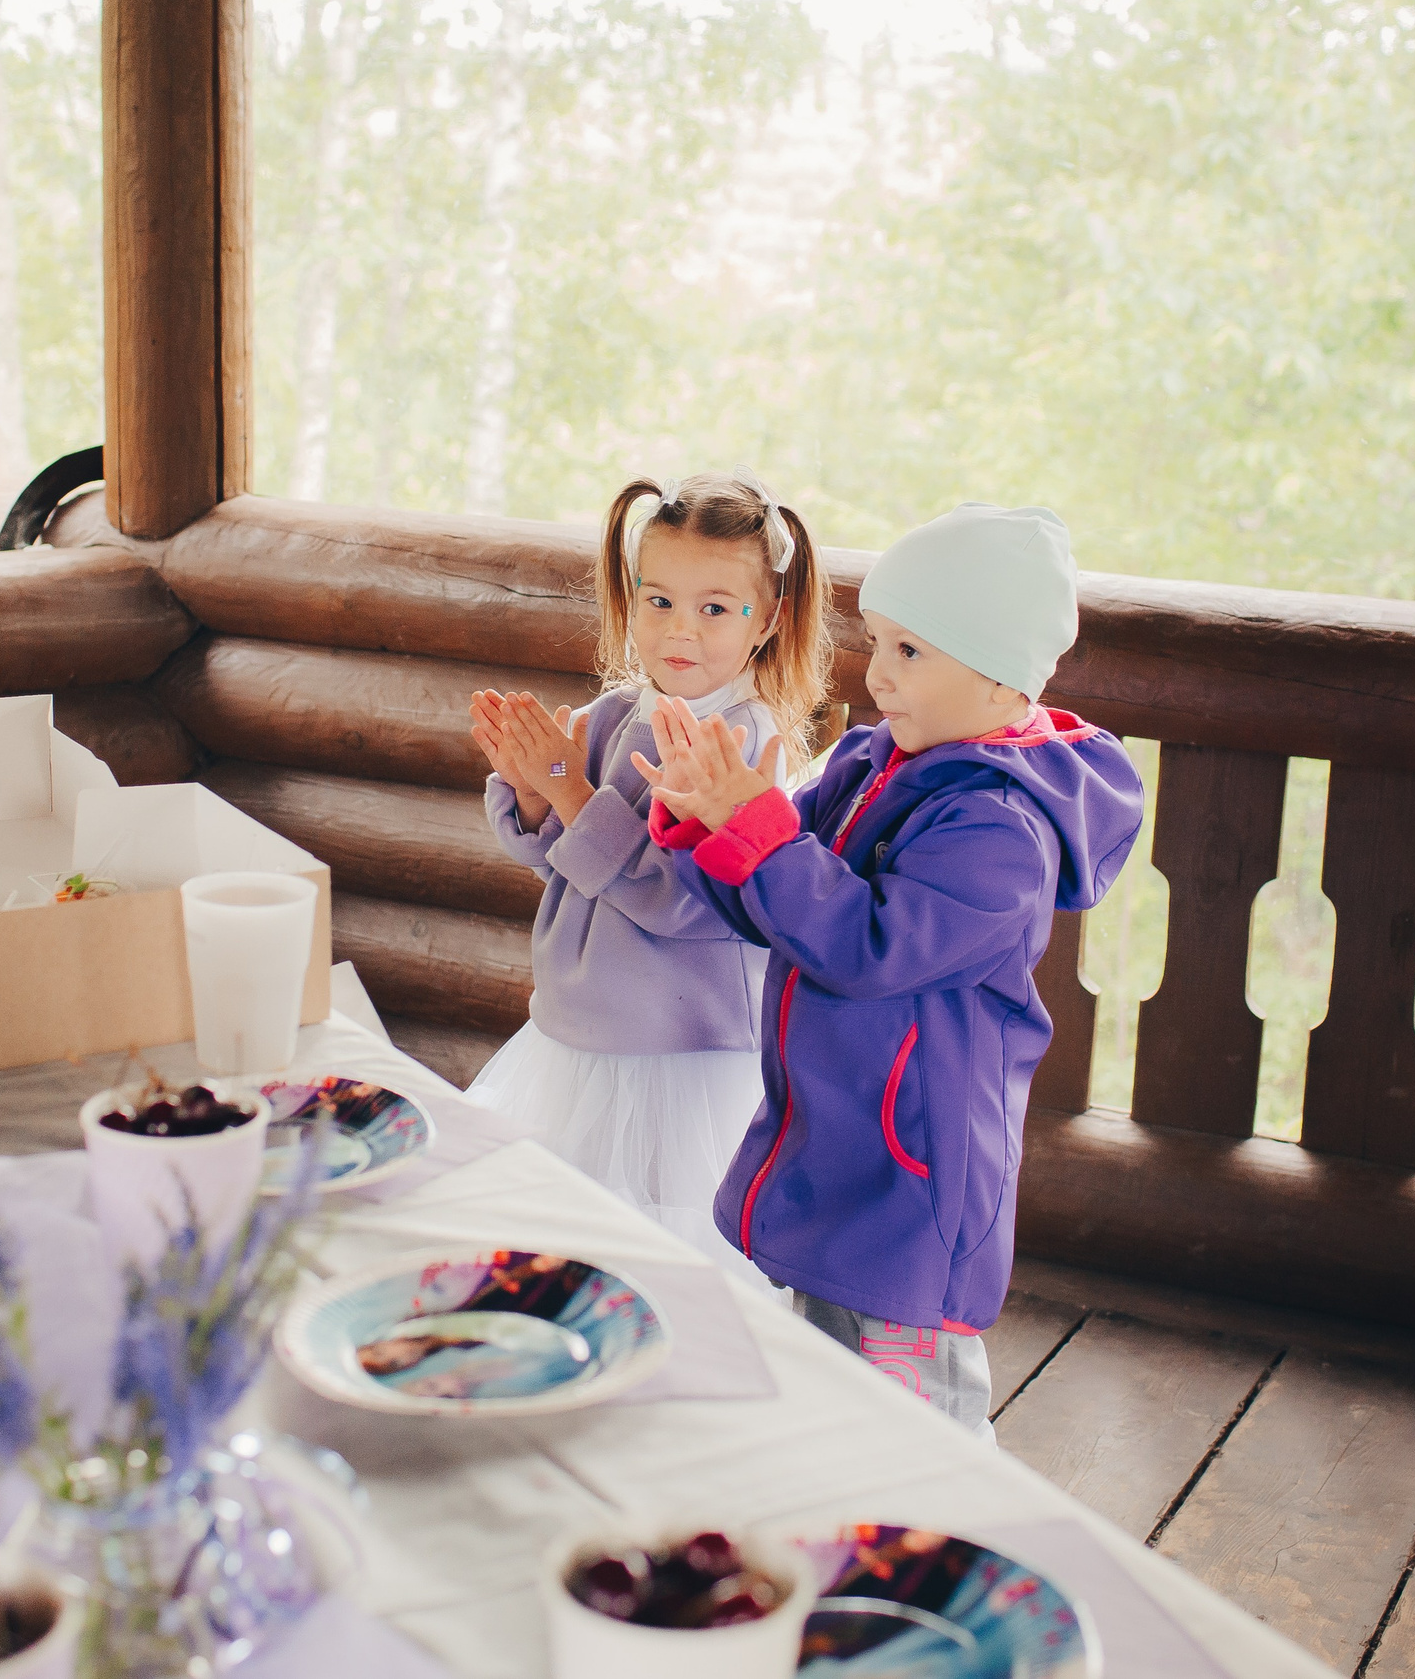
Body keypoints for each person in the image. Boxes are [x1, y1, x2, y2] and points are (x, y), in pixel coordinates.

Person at [637, 503, 1145, 1438]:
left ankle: (941, 1557)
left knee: (915, 1429)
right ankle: (845, 1544)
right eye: (878, 642)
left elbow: (866, 945)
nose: (876, 674)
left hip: (915, 1176)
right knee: (833, 1398)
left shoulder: (1001, 827)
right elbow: (782, 911)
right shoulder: (877, 758)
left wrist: (754, 827)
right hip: (843, 1143)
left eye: (911, 652)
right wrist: (708, 822)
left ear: (999, 679)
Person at [467, 468, 833, 1277]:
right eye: (658, 600)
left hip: (681, 1055)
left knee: (664, 1255)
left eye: (715, 608)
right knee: (562, 1240)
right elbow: (559, 866)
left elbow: (684, 905)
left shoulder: (747, 744)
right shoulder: (612, 717)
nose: (681, 631)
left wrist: (568, 788)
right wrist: (532, 793)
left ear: (767, 618)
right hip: (579, 1033)